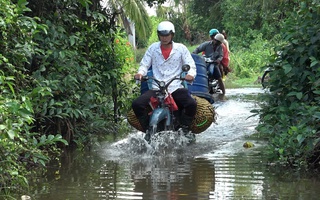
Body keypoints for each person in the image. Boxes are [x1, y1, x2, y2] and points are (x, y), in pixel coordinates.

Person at [132, 21, 197, 142]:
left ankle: (185, 128)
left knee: (191, 104)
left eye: (167, 35)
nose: (164, 37)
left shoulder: (181, 48)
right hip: (157, 87)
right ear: (158, 35)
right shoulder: (153, 48)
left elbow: (191, 65)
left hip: (175, 86)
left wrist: (190, 75)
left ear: (172, 35)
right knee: (137, 104)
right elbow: (144, 64)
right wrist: (140, 73)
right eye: (162, 35)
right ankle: (148, 129)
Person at [192, 29, 226, 97]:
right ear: (214, 39)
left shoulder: (220, 47)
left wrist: (219, 60)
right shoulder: (206, 44)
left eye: (219, 43)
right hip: (205, 62)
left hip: (214, 63)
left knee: (219, 78)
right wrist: (194, 55)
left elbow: (221, 55)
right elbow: (197, 49)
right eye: (217, 41)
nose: (217, 44)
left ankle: (224, 92)